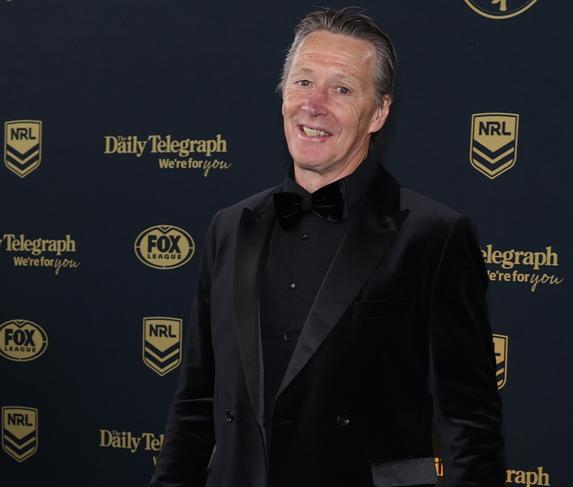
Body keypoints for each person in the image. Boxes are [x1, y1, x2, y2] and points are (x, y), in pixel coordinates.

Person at [150, 7, 504, 487]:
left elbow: (469, 422)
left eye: (341, 89)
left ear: (378, 112)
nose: (313, 105)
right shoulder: (229, 228)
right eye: (302, 82)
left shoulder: (433, 236)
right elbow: (195, 403)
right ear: (282, 94)